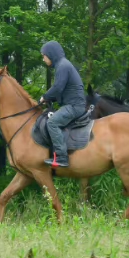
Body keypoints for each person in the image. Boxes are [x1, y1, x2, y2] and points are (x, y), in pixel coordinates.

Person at [39, 40, 86, 168]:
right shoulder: (62, 65)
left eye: (44, 55)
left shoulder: (63, 66)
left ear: (51, 54)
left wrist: (45, 97)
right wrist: (50, 99)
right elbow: (62, 90)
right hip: (73, 104)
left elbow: (58, 87)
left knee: (52, 122)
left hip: (74, 106)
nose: (43, 59)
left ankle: (62, 157)